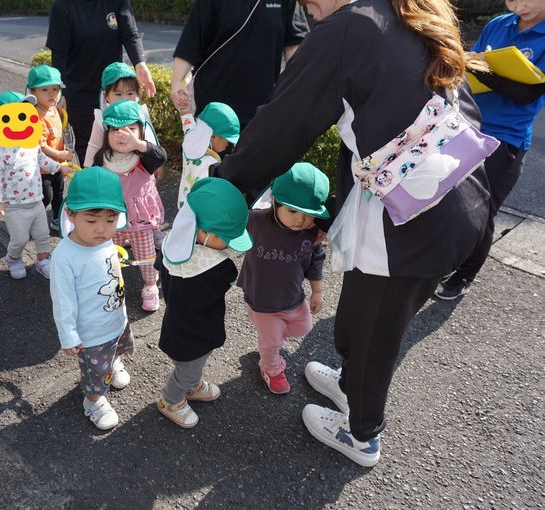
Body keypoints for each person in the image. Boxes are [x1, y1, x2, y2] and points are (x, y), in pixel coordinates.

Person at [214, 0, 491, 466]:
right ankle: (348, 384)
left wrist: (224, 184)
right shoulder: (402, 11)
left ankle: (362, 434)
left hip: (410, 222)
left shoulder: (348, 29)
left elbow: (283, 124)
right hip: (448, 199)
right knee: (363, 311)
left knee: (373, 333)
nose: (306, 8)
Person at [435, 1, 545, 300]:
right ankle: (445, 262)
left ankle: (465, 274)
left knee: (482, 211)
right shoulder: (499, 24)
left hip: (506, 139)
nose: (518, 6)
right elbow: (467, 67)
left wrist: (478, 66)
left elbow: (526, 93)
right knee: (447, 199)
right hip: (467, 124)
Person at [155, 177, 252, 428]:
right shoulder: (219, 267)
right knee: (186, 370)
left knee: (189, 366)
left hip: (176, 326)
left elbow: (160, 267)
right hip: (196, 334)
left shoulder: (172, 246)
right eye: (226, 238)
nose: (229, 246)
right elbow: (226, 280)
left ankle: (193, 384)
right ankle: (171, 400)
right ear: (204, 232)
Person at [50, 166, 135, 430]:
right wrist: (68, 335)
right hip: (91, 334)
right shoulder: (65, 257)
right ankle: (94, 401)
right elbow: (63, 301)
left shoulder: (103, 241)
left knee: (118, 347)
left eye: (111, 220)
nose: (102, 229)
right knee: (94, 373)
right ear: (70, 214)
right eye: (91, 220)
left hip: (117, 318)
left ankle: (114, 362)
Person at [238, 163, 327, 395]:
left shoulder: (311, 234)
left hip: (292, 297)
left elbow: (316, 261)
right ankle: (271, 368)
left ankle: (271, 341)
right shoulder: (255, 220)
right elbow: (228, 225)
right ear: (275, 201)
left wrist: (317, 291)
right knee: (272, 342)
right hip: (261, 298)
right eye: (293, 211)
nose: (300, 220)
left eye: (309, 215)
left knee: (303, 327)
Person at [46, 0, 156, 164]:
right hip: (80, 92)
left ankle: (122, 181)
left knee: (122, 144)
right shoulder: (63, 5)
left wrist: (140, 64)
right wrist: (59, 90)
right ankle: (92, 180)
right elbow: (59, 52)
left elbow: (130, 34)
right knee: (89, 149)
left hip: (115, 92)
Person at [170, 0, 309, 127]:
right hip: (213, 111)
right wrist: (176, 81)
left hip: (262, 112)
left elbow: (295, 44)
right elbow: (191, 42)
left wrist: (299, 86)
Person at [0, 92, 73, 280]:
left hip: (36, 202)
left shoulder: (31, 144)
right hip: (14, 206)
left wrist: (60, 168)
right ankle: (13, 259)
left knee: (43, 236)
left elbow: (43, 161)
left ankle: (43, 260)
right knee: (20, 239)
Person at [93, 100, 167, 312]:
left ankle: (150, 285)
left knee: (145, 254)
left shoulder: (144, 158)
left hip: (140, 218)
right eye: (115, 129)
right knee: (111, 252)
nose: (122, 134)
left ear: (141, 132)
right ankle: (112, 282)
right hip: (112, 216)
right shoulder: (103, 157)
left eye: (131, 129)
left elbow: (161, 156)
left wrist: (140, 145)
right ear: (106, 133)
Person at [27, 65, 72, 232]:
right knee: (46, 196)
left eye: (55, 89)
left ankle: (57, 219)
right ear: (33, 92)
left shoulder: (53, 109)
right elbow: (41, 146)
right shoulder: (36, 116)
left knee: (59, 194)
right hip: (42, 168)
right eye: (45, 90)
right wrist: (59, 153)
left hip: (57, 164)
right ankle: (31, 220)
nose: (51, 94)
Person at [175, 101, 239, 209]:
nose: (228, 144)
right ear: (213, 136)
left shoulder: (190, 139)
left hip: (184, 204)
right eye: (226, 139)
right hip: (199, 210)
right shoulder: (210, 163)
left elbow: (187, 124)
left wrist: (184, 110)